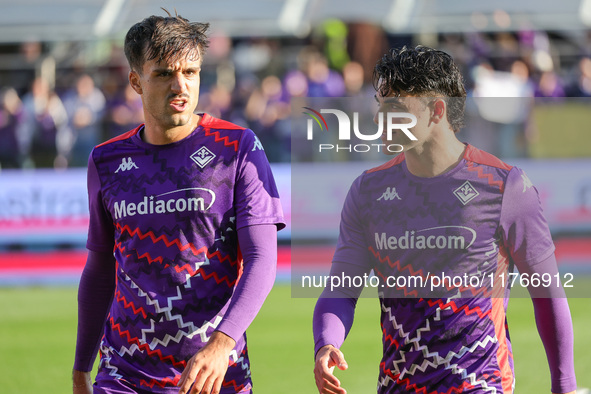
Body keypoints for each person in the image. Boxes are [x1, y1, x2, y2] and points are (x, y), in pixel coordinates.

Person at [313, 46, 577, 394]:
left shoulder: (505, 186)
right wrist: (326, 343)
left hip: (481, 385)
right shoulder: (367, 191)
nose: (379, 119)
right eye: (380, 104)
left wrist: (565, 386)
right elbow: (341, 289)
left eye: (394, 107)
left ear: (436, 110)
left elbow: (547, 292)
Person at [72, 11, 284, 394]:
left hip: (215, 375)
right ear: (136, 81)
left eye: (190, 72)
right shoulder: (105, 161)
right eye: (165, 74)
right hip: (123, 375)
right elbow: (100, 268)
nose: (180, 85)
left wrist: (223, 343)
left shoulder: (236, 149)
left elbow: (262, 259)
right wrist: (80, 367)